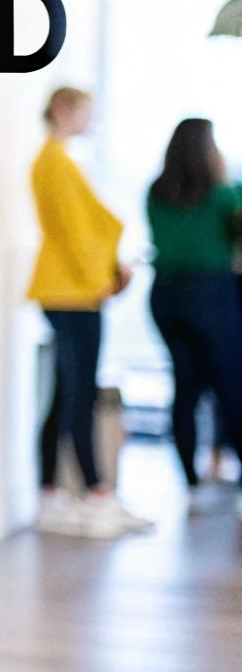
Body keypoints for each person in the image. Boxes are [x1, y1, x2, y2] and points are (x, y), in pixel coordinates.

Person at [26, 87, 151, 538]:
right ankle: (97, 493)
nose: (90, 122)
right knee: (78, 393)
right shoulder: (54, 162)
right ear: (62, 110)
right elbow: (75, 232)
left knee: (65, 393)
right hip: (74, 292)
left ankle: (56, 495)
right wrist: (104, 279)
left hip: (71, 289)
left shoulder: (57, 161)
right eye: (85, 113)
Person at [144, 118, 242, 512]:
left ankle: (188, 477)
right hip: (210, 293)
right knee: (230, 385)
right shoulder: (222, 193)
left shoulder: (155, 191)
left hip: (166, 294)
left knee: (184, 386)